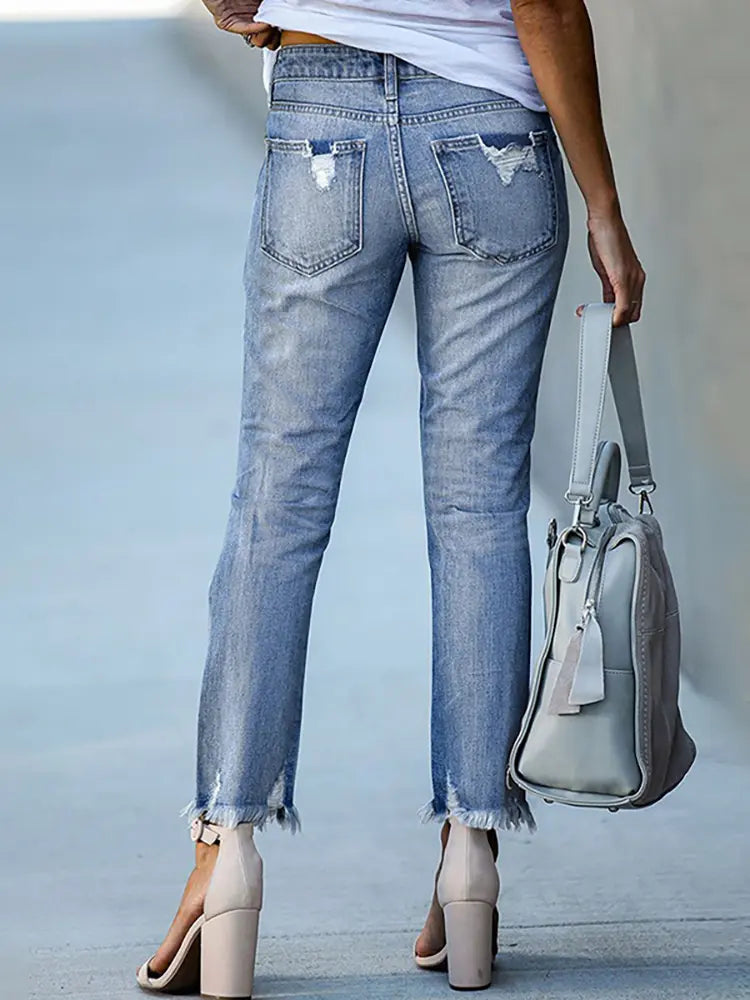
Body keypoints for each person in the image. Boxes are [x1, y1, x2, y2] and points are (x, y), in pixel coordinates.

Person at [136, 0, 645, 994]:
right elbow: (541, 4)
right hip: (492, 130)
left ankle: (225, 850)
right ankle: (470, 855)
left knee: (276, 503)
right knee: (479, 507)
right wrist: (604, 204)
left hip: (322, 125)